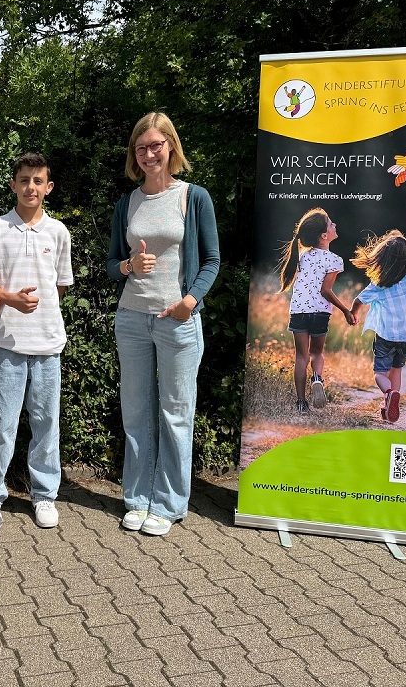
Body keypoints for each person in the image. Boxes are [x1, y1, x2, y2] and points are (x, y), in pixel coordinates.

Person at [106, 112, 221, 537]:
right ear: (134, 155)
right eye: (141, 148)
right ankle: (138, 499)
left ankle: (170, 504)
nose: (149, 154)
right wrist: (128, 265)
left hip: (177, 321)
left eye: (156, 145)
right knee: (136, 413)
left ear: (171, 146)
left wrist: (190, 302)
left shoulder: (194, 197)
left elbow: (212, 260)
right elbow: (111, 265)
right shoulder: (127, 203)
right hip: (132, 320)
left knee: (176, 414)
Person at [0, 153, 74, 532]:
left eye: (38, 181)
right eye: (24, 180)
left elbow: (59, 286)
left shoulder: (59, 232)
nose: (30, 187)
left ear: (48, 187)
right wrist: (11, 299)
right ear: (13, 184)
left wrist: (36, 309)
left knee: (46, 424)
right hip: (5, 343)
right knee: (1, 424)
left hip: (47, 345)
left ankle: (44, 495)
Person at [277, 207, 356, 413]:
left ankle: (301, 403)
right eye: (330, 223)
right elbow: (326, 291)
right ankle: (317, 378)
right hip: (320, 312)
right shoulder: (335, 260)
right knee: (317, 352)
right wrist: (345, 310)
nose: (334, 224)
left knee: (301, 357)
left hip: (299, 311)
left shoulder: (301, 256)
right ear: (324, 235)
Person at [349, 229, 406, 423]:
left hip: (387, 337)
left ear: (383, 258)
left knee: (380, 373)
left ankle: (388, 393)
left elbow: (359, 300)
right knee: (396, 369)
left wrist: (353, 313)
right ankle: (390, 406)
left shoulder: (380, 283)